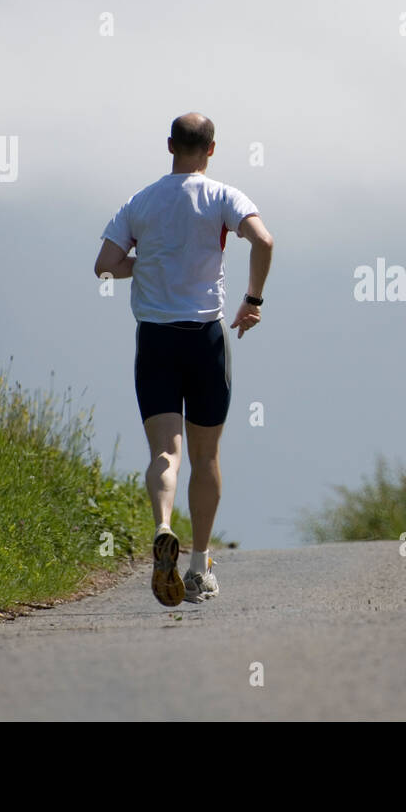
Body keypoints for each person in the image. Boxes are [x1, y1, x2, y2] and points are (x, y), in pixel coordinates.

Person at [93, 112, 273, 606]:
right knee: (206, 456)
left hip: (154, 340)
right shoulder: (223, 197)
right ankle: (197, 567)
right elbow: (263, 239)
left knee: (164, 454)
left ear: (169, 145)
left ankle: (163, 525)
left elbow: (105, 267)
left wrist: (150, 263)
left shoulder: (141, 202)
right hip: (205, 339)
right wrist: (252, 300)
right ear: (211, 150)